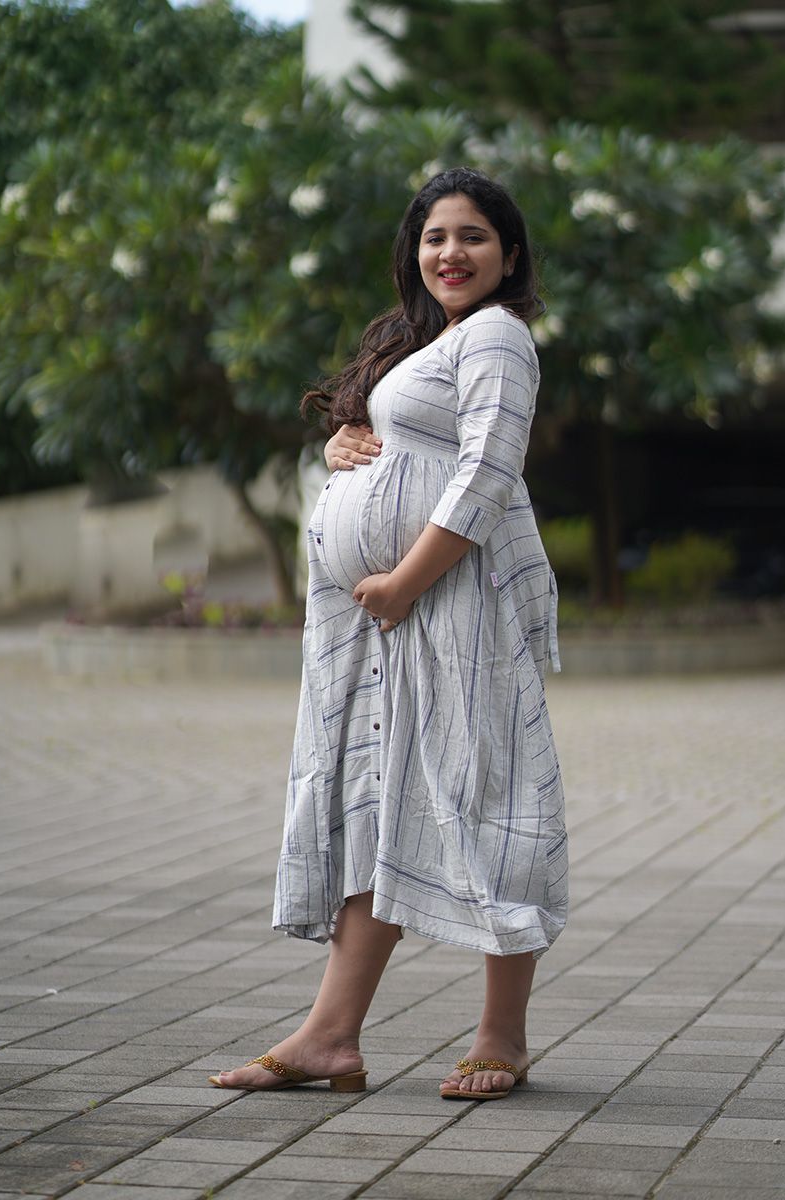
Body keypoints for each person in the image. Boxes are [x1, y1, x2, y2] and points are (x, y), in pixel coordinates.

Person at [209, 167, 567, 1101]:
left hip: (451, 607)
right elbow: (407, 446)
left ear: (510, 255)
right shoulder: (430, 342)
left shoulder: (499, 337)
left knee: (483, 798)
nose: (452, 252)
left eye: (474, 237)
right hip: (389, 624)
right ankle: (331, 1036)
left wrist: (405, 581)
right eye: (435, 237)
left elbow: (489, 472)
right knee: (380, 802)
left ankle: (503, 1036)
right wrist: (342, 445)